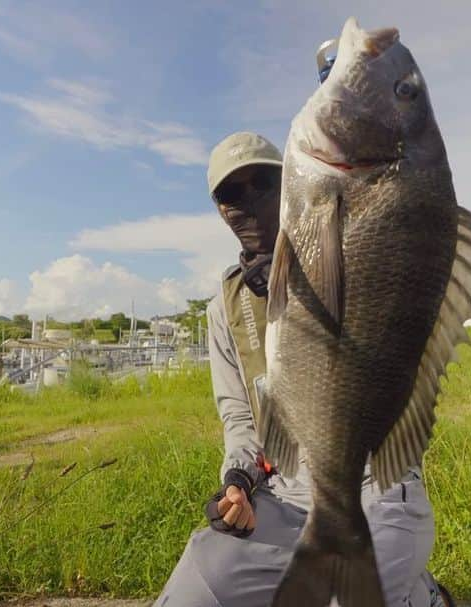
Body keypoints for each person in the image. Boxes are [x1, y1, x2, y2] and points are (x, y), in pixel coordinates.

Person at [154, 131, 454, 607]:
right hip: (286, 497)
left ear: (291, 183)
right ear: (220, 210)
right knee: (195, 594)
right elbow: (241, 420)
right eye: (234, 194)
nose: (250, 201)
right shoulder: (225, 310)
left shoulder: (348, 255)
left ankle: (420, 595)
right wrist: (239, 484)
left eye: (264, 184)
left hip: (376, 483)